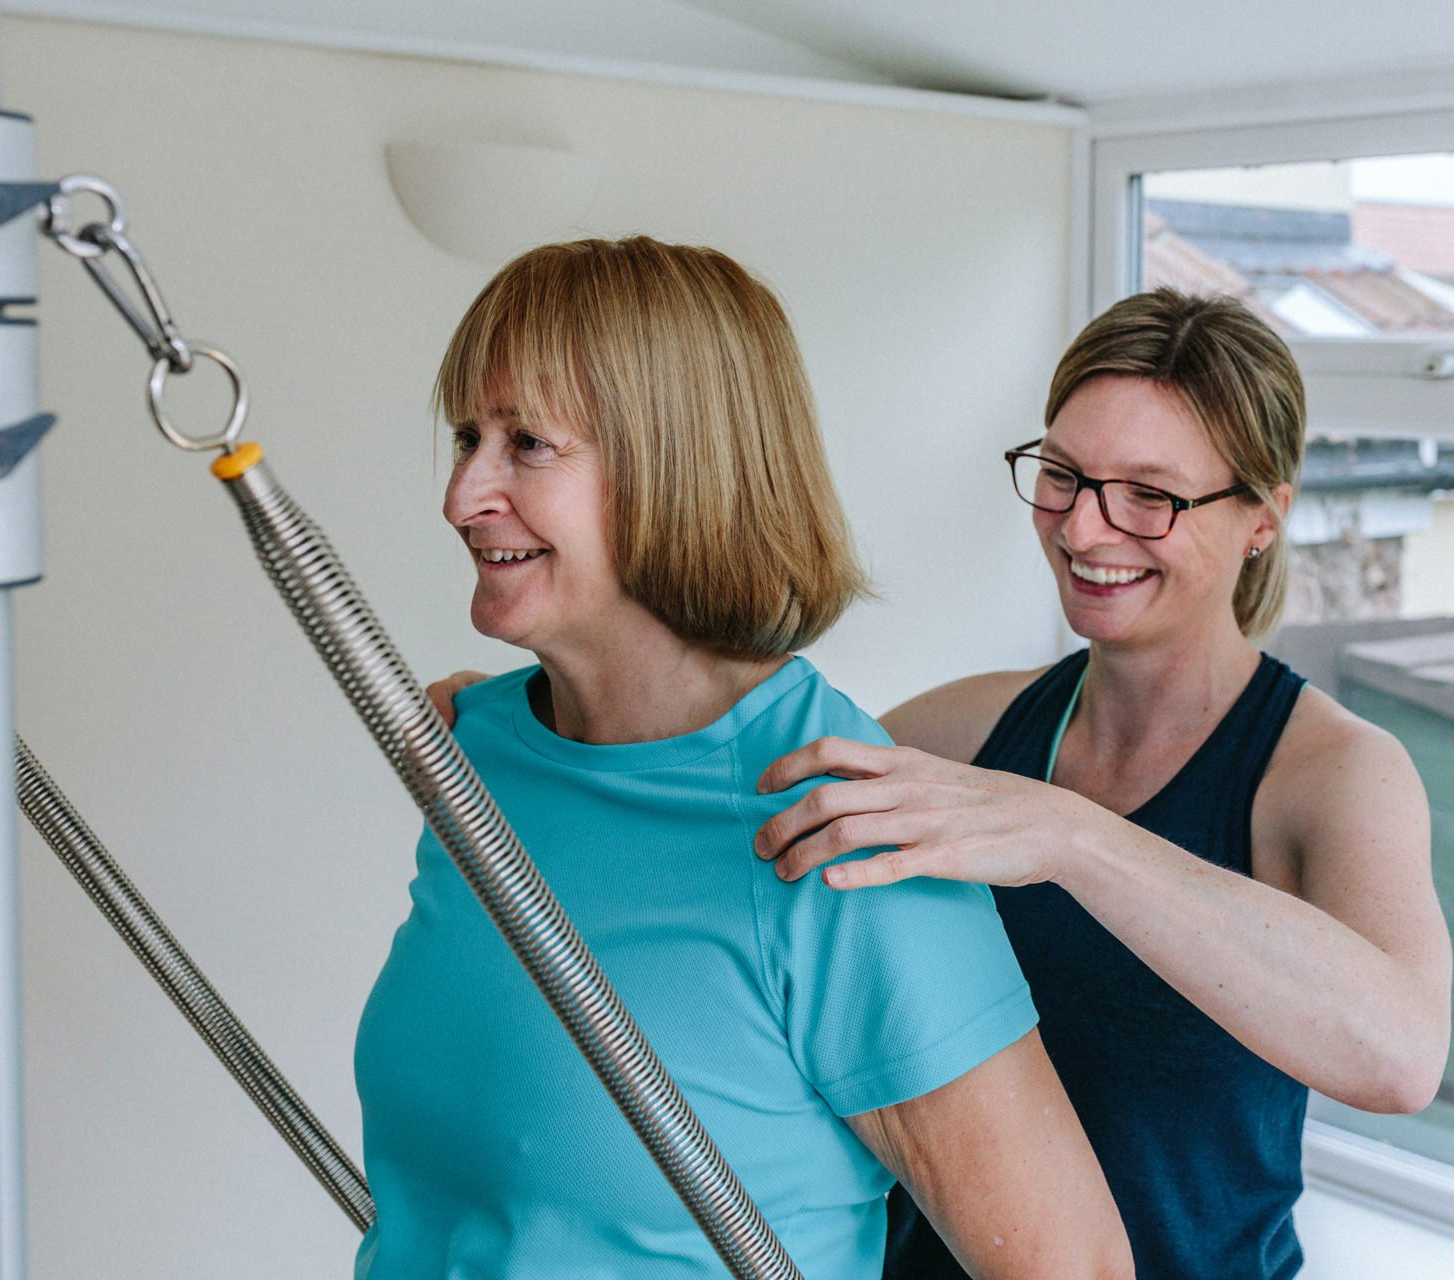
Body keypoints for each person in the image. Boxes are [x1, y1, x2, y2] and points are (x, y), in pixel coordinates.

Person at [356, 237, 1132, 1280]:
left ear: (674, 465)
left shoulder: (834, 821)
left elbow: (1069, 1266)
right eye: (466, 435)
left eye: (527, 443)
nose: (461, 494)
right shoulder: (476, 756)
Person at [745, 289, 1454, 1280]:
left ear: (1261, 516)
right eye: (1065, 475)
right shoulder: (967, 729)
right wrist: (539, 710)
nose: (1082, 528)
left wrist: (1071, 837)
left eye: (1147, 494)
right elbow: (740, 811)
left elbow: (1399, 1054)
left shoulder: (1331, 773)